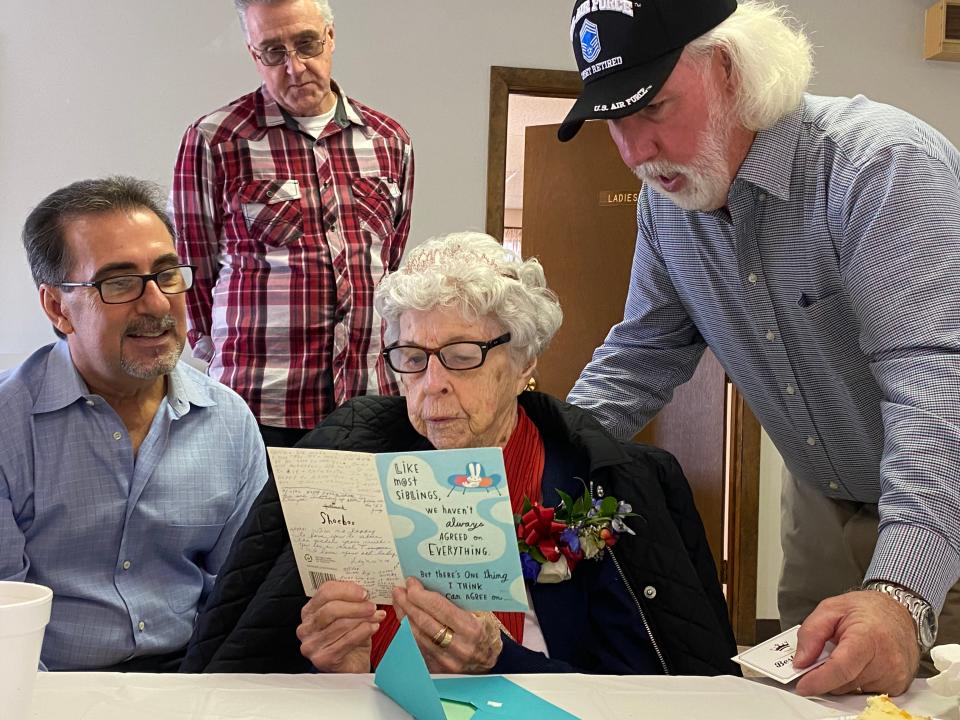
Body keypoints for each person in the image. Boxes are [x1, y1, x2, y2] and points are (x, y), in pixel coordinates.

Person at [560, 0, 960, 697]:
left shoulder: (880, 166)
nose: (633, 152)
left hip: (939, 488)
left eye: (652, 108)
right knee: (817, 696)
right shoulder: (667, 204)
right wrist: (535, 460)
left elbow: (933, 382)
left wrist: (902, 594)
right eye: (613, 119)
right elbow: (642, 352)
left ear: (730, 70)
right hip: (822, 493)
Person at [178, 232, 738, 677]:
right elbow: (258, 653)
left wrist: (501, 660)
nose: (432, 384)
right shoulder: (350, 463)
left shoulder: (596, 485)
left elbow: (640, 689)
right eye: (412, 357)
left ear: (523, 362)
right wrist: (333, 661)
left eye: (461, 354)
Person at [0, 177, 268, 671]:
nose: (158, 304)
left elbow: (238, 599)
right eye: (119, 282)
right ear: (58, 307)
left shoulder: (229, 421)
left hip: (193, 679)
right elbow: (5, 621)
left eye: (167, 274)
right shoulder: (8, 424)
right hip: (49, 687)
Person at [171, 0, 415, 448]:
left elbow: (392, 262)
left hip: (370, 398)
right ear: (253, 54)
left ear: (331, 37)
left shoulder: (389, 140)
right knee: (260, 522)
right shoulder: (215, 140)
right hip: (259, 404)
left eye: (307, 44)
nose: (295, 66)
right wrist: (220, 353)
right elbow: (192, 271)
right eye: (274, 52)